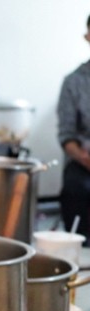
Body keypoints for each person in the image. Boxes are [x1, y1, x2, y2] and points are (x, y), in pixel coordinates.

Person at [56, 12, 90, 234]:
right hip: (83, 161)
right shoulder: (74, 82)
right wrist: (84, 158)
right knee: (77, 188)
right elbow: (66, 134)